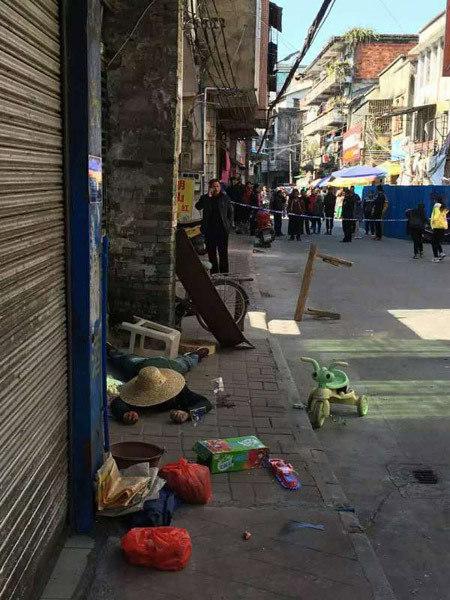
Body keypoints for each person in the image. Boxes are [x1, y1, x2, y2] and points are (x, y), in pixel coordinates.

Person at [195, 178, 233, 273]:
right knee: (211, 253)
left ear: (220, 187)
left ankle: (224, 274)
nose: (216, 188)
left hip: (222, 229)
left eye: (217, 186)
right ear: (210, 187)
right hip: (209, 230)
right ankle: (214, 273)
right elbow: (198, 206)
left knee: (223, 253)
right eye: (214, 186)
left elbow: (230, 212)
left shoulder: (225, 198)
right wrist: (208, 196)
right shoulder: (205, 198)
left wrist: (228, 225)